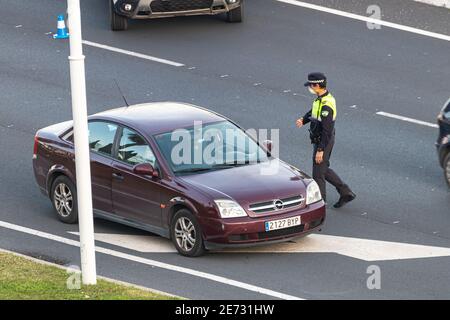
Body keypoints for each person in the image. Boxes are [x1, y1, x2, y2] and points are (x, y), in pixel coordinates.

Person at [296, 72, 356, 208]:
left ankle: (320, 204)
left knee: (318, 174)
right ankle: (345, 192)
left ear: (317, 85)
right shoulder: (321, 99)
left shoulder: (327, 105)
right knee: (323, 169)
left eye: (311, 85)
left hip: (323, 141)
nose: (309, 88)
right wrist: (304, 119)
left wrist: (320, 150)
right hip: (319, 139)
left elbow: (327, 131)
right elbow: (313, 110)